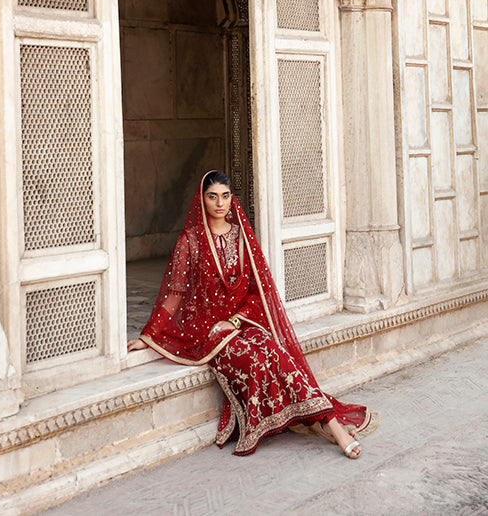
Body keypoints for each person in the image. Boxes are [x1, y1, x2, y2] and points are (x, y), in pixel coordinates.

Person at [128, 170, 379, 457]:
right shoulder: (190, 241)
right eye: (212, 197)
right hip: (209, 332)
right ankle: (319, 424)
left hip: (241, 322)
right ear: (202, 199)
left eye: (225, 196)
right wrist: (149, 335)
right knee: (254, 361)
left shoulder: (241, 237)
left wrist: (235, 320)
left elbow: (255, 291)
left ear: (231, 198)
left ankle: (329, 424)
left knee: (277, 353)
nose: (219, 203)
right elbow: (175, 294)